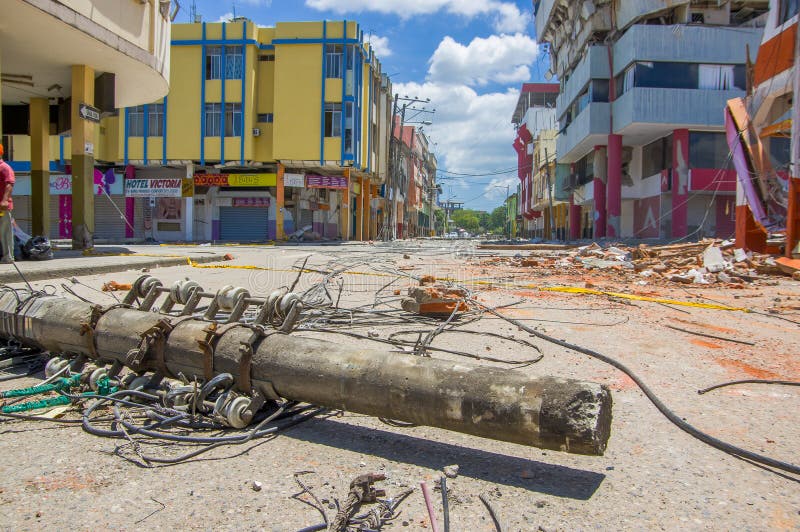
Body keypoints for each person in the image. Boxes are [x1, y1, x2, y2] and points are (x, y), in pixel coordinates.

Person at [0, 144, 15, 263]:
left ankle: (8, 257)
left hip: (2, 207)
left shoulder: (5, 167)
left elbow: (9, 184)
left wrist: (4, 200)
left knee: (4, 231)